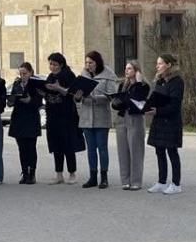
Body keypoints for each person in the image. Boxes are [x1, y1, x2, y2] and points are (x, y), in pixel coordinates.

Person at [76, 51, 118, 189]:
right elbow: (76, 97)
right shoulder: (83, 75)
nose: (88, 65)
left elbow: (111, 96)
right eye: (86, 62)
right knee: (91, 149)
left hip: (101, 116)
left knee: (102, 148)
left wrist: (95, 98)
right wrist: (77, 97)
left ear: (97, 62)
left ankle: (104, 177)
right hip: (86, 117)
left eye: (91, 62)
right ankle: (92, 177)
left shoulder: (108, 75)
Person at [43, 53, 85, 184]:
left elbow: (72, 93)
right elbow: (47, 93)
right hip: (52, 115)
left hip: (67, 116)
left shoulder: (68, 75)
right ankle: (59, 174)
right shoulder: (50, 77)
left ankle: (72, 173)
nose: (52, 67)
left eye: (55, 64)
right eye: (50, 64)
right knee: (56, 145)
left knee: (68, 144)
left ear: (61, 64)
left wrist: (58, 88)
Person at [146, 53, 185, 195]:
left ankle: (176, 184)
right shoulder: (159, 80)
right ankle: (161, 182)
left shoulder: (177, 81)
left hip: (171, 121)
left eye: (160, 63)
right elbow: (154, 98)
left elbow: (174, 105)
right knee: (159, 151)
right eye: (157, 63)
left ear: (168, 65)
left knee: (172, 152)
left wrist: (157, 110)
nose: (157, 66)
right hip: (159, 121)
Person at [112, 61, 149, 191]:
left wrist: (137, 83)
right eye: (126, 68)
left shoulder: (143, 85)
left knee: (136, 150)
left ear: (136, 71)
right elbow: (118, 103)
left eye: (129, 68)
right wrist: (115, 102)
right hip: (122, 118)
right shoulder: (123, 85)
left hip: (135, 118)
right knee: (123, 151)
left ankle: (136, 181)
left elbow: (137, 99)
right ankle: (125, 180)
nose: (126, 71)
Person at [8, 61, 43, 184]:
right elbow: (12, 98)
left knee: (31, 147)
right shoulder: (17, 83)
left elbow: (39, 102)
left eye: (25, 73)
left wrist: (30, 100)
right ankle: (24, 172)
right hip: (19, 118)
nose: (23, 76)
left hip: (31, 118)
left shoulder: (36, 84)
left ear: (30, 73)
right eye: (21, 73)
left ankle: (32, 173)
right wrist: (11, 101)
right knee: (22, 148)